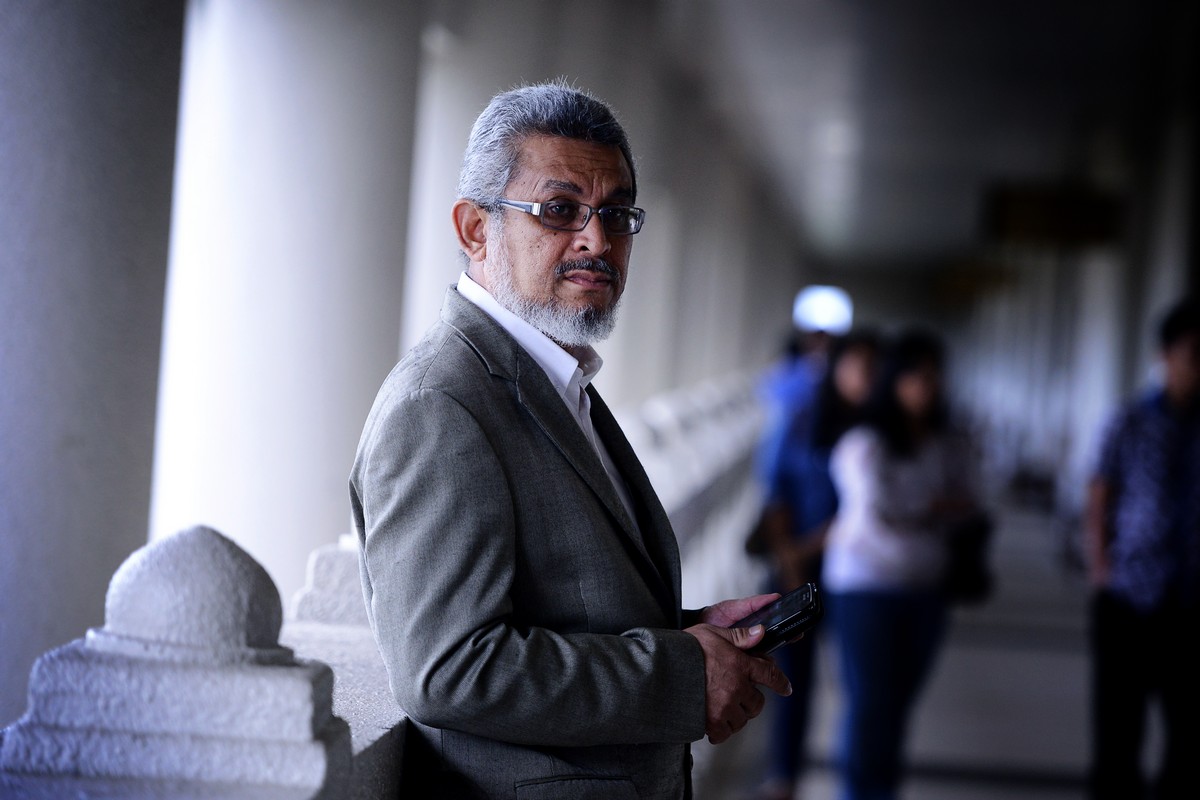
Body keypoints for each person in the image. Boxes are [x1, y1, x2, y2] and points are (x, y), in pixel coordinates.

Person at [349, 80, 791, 799]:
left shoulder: (556, 379)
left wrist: (688, 633)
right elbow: (449, 670)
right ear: (474, 229)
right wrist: (680, 674)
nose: (597, 240)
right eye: (560, 211)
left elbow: (556, 607)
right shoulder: (440, 405)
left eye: (616, 214)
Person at [821, 329, 984, 800]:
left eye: (934, 377)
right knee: (870, 703)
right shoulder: (864, 443)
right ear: (895, 380)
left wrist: (920, 509)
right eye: (917, 376)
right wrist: (935, 508)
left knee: (897, 707)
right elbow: (876, 518)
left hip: (927, 589)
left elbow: (973, 503)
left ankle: (882, 790)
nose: (927, 387)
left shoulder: (948, 444)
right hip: (865, 589)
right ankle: (859, 792)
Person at [751, 330, 880, 800]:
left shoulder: (879, 432)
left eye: (871, 368)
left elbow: (868, 508)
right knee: (791, 677)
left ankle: (858, 781)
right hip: (796, 567)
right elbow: (776, 486)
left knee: (859, 683)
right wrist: (790, 557)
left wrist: (809, 548)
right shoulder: (803, 419)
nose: (861, 378)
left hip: (859, 572)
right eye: (853, 366)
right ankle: (783, 774)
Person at [1084, 298, 1200, 800]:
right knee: (1117, 734)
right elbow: (1099, 496)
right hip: (1130, 595)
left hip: (1193, 603)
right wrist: (1103, 570)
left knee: (1189, 739)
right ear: (1166, 356)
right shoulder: (1130, 421)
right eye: (1195, 353)